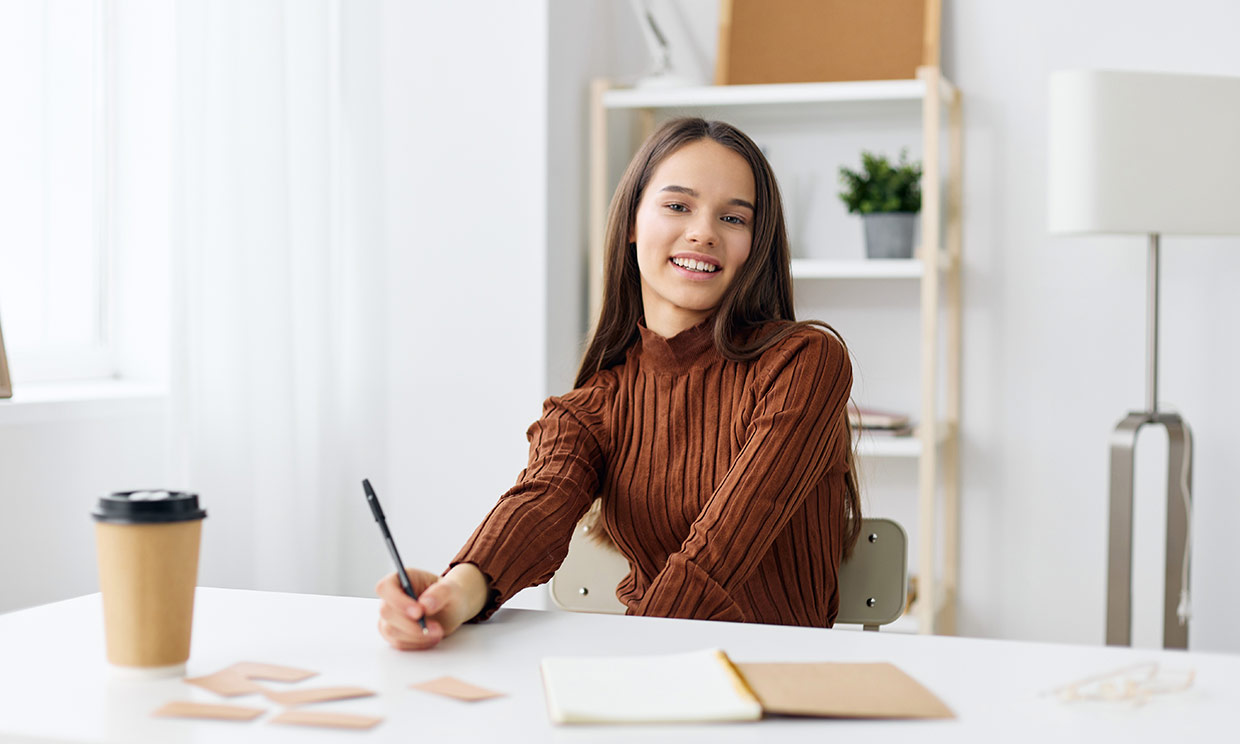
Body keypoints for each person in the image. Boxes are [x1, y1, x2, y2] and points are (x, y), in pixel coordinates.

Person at [376, 118, 860, 650]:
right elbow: (540, 504)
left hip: (783, 679)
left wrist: (632, 657)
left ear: (756, 244)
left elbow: (725, 546)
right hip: (651, 664)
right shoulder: (594, 404)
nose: (704, 232)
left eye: (733, 217)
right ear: (632, 221)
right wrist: (456, 594)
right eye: (678, 206)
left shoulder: (803, 361)